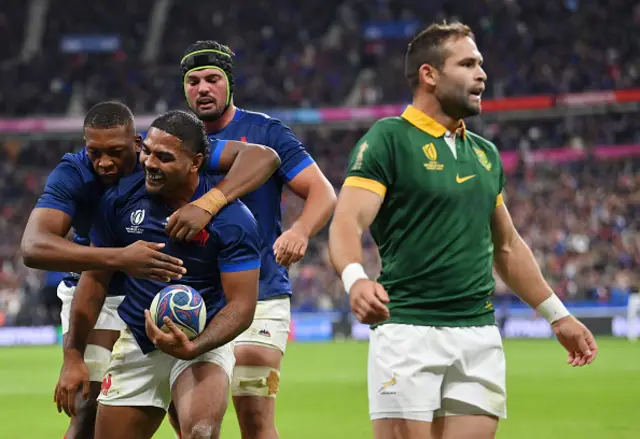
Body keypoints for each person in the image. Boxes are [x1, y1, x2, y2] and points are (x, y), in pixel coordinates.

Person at [328, 22, 599, 439]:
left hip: (477, 335)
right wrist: (355, 279)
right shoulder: (388, 139)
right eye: (468, 63)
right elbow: (347, 219)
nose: (482, 74)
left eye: (481, 64)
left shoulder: (485, 154)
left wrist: (557, 315)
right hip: (408, 331)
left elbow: (506, 247)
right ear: (429, 74)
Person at [20, 101, 279, 439]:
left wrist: (209, 203)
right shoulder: (110, 195)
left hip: (198, 336)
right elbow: (76, 270)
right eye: (95, 152)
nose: (150, 165)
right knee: (86, 416)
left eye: (164, 158)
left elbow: (242, 306)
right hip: (134, 326)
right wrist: (73, 354)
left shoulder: (232, 219)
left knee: (200, 432)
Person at [172, 40, 337, 439]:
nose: (203, 89)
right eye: (193, 81)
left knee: (255, 415)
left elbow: (323, 192)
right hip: (192, 298)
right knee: (190, 423)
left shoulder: (266, 132)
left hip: (260, 294)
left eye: (213, 79)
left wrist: (300, 230)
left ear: (230, 84)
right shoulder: (174, 139)